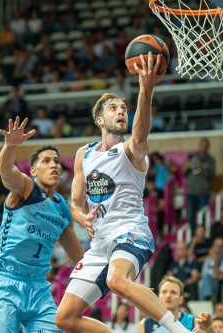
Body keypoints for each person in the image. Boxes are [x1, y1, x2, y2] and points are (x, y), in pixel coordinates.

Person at [56, 53, 194, 333]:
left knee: (116, 281)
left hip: (131, 231)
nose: (121, 112)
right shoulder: (84, 153)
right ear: (99, 119)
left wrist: (146, 89)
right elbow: (74, 201)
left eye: (124, 108)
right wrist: (80, 216)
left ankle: (181, 331)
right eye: (113, 108)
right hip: (99, 243)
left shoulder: (130, 149)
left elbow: (141, 134)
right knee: (65, 318)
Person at [0, 117, 83, 332]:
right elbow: (6, 171)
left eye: (56, 161)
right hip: (6, 283)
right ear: (34, 171)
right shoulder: (26, 188)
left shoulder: (62, 208)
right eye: (46, 161)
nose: (54, 165)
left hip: (39, 289)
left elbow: (80, 261)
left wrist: (121, 283)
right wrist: (10, 146)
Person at [182, 137, 216, 233]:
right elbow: (183, 173)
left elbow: (212, 175)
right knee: (190, 216)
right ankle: (192, 237)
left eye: (205, 146)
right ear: (199, 145)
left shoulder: (211, 160)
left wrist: (202, 167)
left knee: (203, 217)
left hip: (203, 192)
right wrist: (187, 166)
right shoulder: (192, 157)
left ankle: (202, 236)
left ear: (208, 147)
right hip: (191, 192)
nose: (203, 147)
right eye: (202, 145)